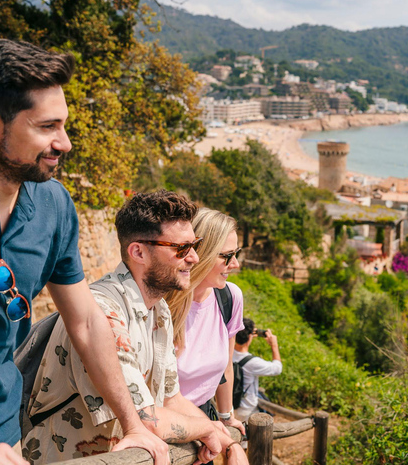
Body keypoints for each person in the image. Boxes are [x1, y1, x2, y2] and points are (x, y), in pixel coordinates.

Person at [0, 39, 167, 465]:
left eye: (63, 125)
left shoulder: (54, 205)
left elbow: (84, 321)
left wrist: (134, 424)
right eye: (47, 127)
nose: (64, 142)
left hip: (5, 443)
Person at [25, 191, 247, 464]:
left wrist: (226, 441)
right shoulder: (104, 311)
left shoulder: (160, 311)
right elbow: (149, 419)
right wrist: (207, 429)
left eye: (195, 245)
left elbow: (171, 400)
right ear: (138, 252)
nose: (194, 258)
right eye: (181, 249)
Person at [176, 209, 245, 434]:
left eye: (237, 253)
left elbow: (226, 367)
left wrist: (226, 416)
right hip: (166, 424)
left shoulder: (230, 298)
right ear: (200, 254)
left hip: (207, 420)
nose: (235, 264)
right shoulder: (164, 305)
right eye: (226, 256)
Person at [232, 319, 283, 421]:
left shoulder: (227, 353)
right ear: (249, 337)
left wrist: (248, 336)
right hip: (246, 411)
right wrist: (274, 345)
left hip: (229, 408)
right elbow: (277, 368)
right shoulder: (253, 362)